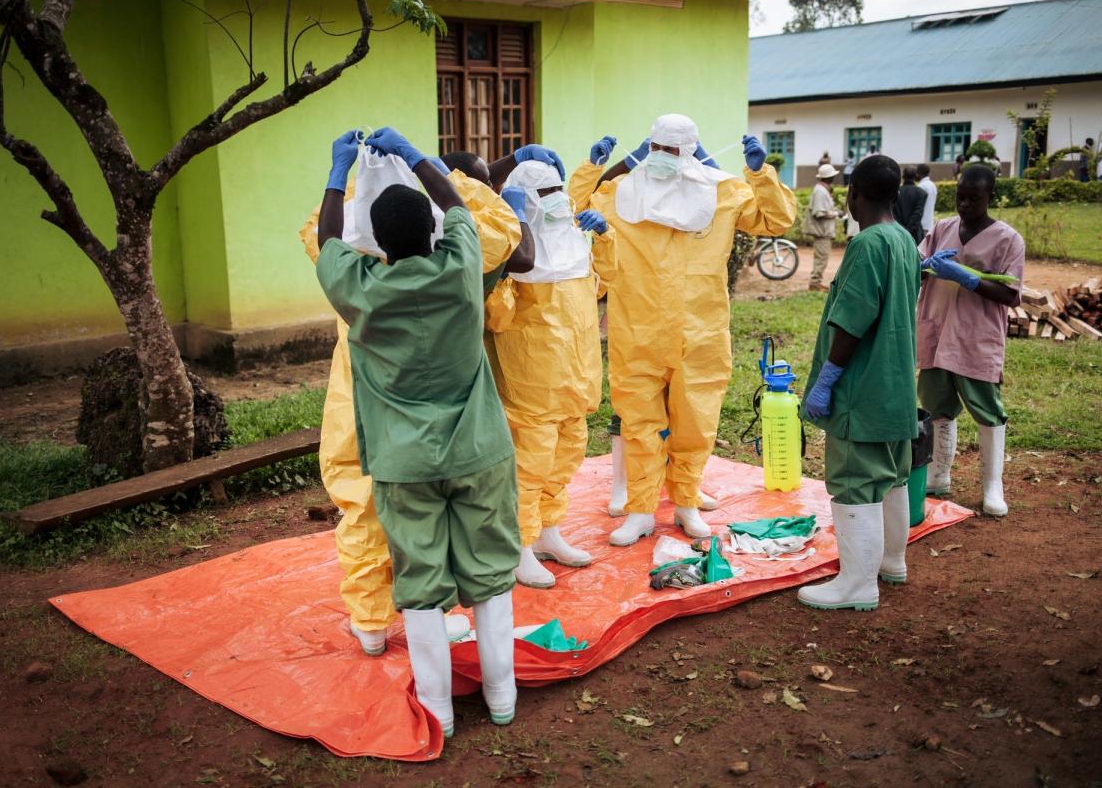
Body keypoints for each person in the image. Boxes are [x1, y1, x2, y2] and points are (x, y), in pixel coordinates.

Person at [315, 127, 522, 737]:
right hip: (480, 452)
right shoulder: (461, 269)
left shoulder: (361, 292)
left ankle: (438, 709)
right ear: (432, 232)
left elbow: (329, 240)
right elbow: (460, 207)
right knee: (490, 575)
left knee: (422, 586)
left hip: (405, 465)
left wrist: (338, 172)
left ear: (374, 243)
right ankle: (502, 697)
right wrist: (415, 158)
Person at [568, 114, 795, 546]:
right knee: (638, 424)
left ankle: (687, 503)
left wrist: (759, 173)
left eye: (671, 151)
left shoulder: (723, 192)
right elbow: (575, 207)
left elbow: (775, 219)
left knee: (696, 421)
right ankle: (639, 510)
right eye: (655, 149)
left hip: (701, 332)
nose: (662, 159)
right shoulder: (621, 193)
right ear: (646, 147)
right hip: (637, 330)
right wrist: (593, 168)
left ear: (691, 151)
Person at [798, 154, 921, 611]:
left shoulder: (867, 244)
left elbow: (853, 320)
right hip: (895, 388)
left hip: (863, 389)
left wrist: (828, 379)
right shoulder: (904, 239)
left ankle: (857, 584)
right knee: (892, 479)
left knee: (855, 483)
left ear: (853, 194)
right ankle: (891, 563)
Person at [489, 158, 617, 589]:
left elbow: (602, 285)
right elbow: (495, 315)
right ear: (525, 204)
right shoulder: (517, 255)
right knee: (529, 465)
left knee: (567, 456)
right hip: (533, 381)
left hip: (577, 378)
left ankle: (547, 533)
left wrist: (604, 238)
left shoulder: (574, 244)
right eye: (545, 195)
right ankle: (518, 549)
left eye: (559, 189)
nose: (558, 200)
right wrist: (506, 268)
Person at [918, 164, 1024, 518]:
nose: (965, 204)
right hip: (936, 330)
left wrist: (967, 278)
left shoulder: (1008, 239)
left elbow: (1011, 294)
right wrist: (925, 265)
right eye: (960, 197)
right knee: (936, 405)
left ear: (989, 197)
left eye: (974, 199)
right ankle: (939, 473)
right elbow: (917, 263)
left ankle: (993, 486)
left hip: (974, 337)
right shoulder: (942, 228)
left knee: (986, 409)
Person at [803, 163, 842, 291]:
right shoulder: (820, 191)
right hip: (822, 231)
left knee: (822, 258)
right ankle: (815, 283)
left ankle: (816, 282)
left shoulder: (822, 189)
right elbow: (819, 213)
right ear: (829, 177)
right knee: (821, 259)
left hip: (823, 231)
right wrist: (836, 213)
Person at [893, 165, 926, 244]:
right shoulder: (921, 193)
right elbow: (917, 214)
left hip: (897, 233)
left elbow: (893, 214)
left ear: (903, 176)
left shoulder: (895, 192)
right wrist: (908, 231)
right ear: (916, 176)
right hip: (915, 234)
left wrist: (902, 230)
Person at [916, 163, 937, 237]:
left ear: (919, 173)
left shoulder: (921, 186)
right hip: (930, 223)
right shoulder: (932, 184)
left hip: (922, 224)